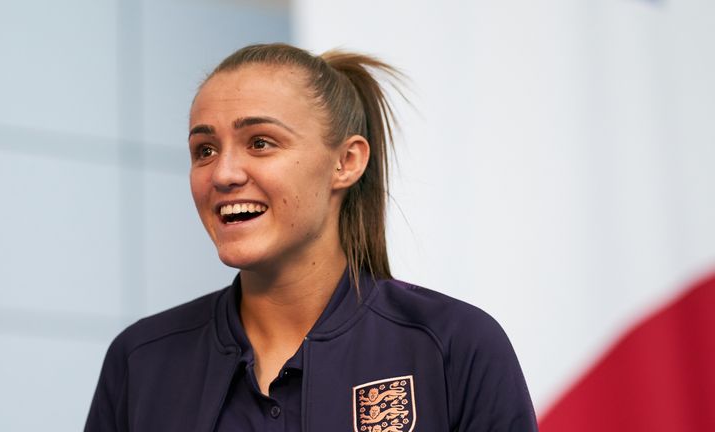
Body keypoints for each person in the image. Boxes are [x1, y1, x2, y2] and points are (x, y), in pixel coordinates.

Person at [85, 43, 537, 432]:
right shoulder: (140, 360)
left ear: (347, 161)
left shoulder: (453, 345)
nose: (222, 173)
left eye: (260, 142)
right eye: (204, 150)